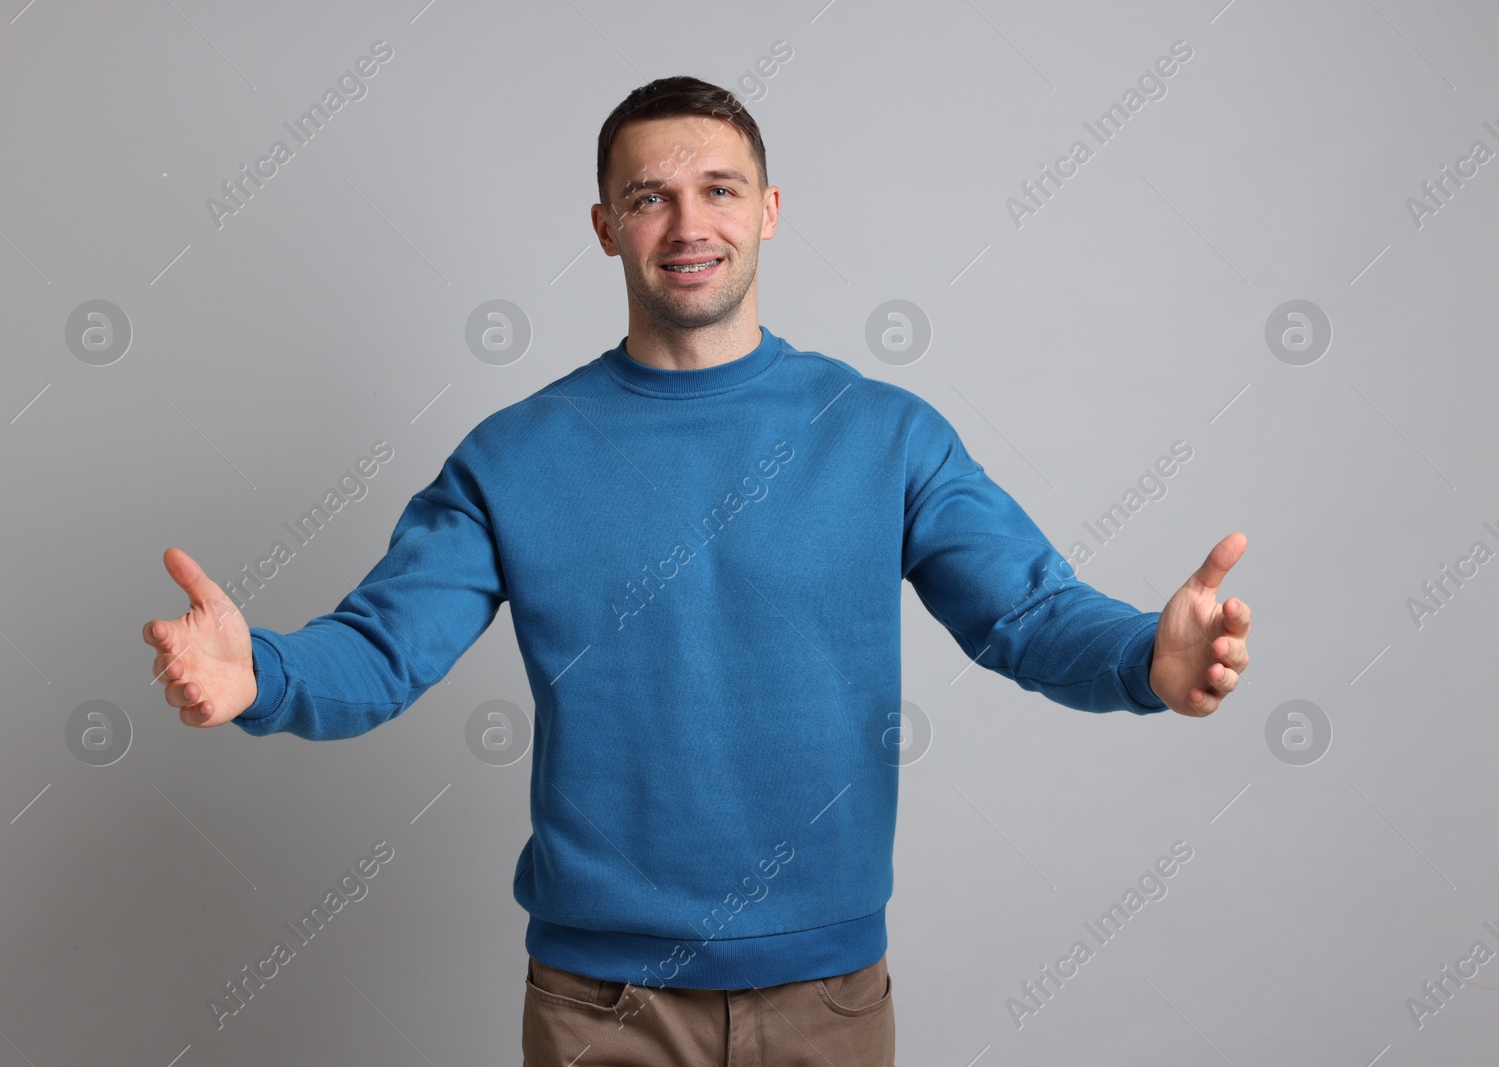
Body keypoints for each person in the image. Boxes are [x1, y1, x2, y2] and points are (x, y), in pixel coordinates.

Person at [143, 75, 1251, 1067]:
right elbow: (384, 649)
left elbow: (1025, 610)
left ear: (769, 212)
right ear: (604, 227)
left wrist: (1142, 651)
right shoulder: (514, 457)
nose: (688, 223)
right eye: (649, 196)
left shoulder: (883, 435)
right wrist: (266, 674)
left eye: (721, 190)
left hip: (828, 995)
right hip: (601, 1005)